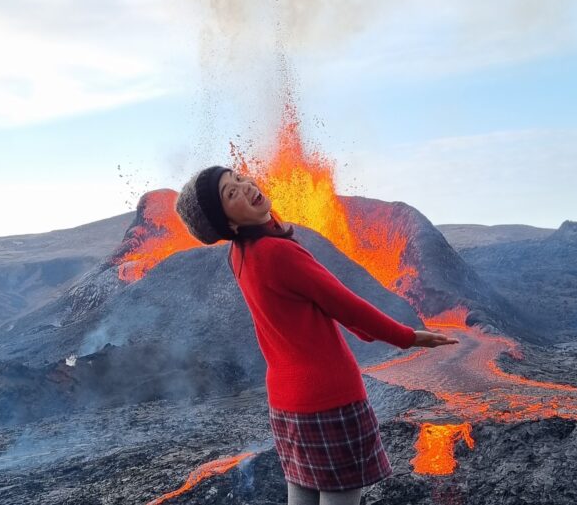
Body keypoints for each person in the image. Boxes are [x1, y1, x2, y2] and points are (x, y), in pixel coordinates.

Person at [175, 165, 459, 505]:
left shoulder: (238, 256)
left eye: (238, 178)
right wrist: (408, 336)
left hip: (285, 403)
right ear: (229, 224)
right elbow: (346, 306)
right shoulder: (277, 253)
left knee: (304, 496)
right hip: (329, 400)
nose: (245, 186)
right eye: (231, 193)